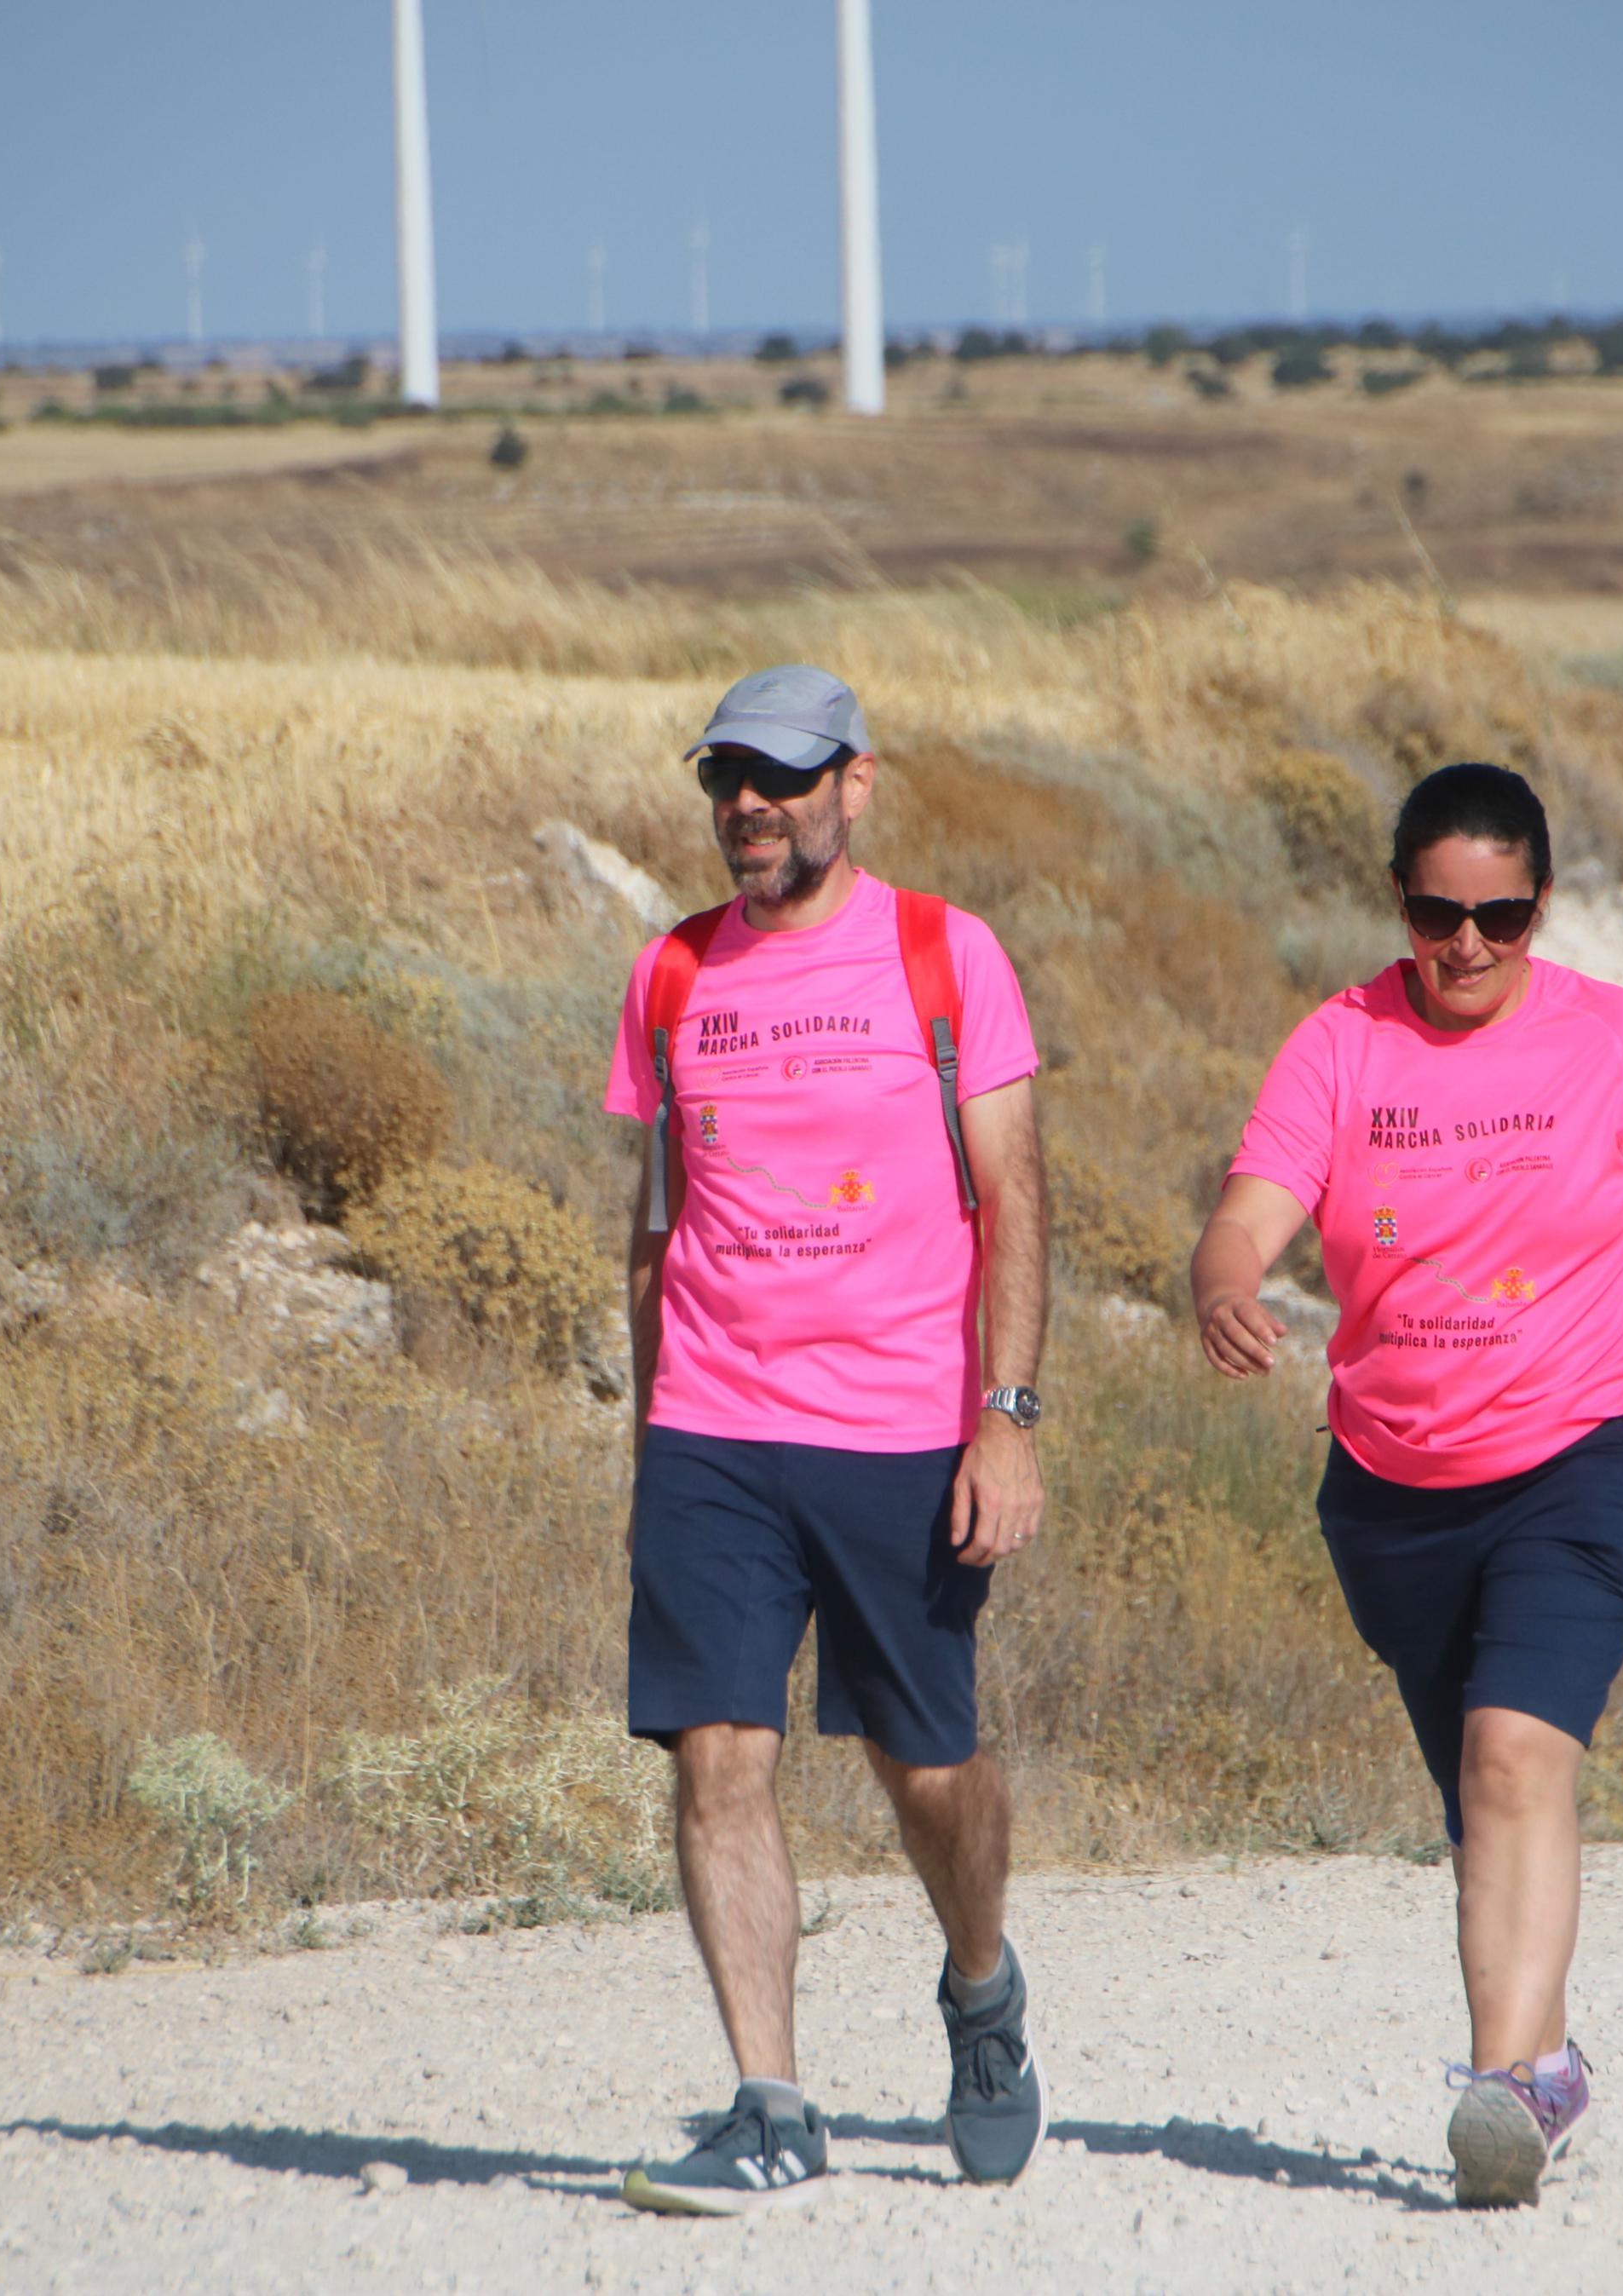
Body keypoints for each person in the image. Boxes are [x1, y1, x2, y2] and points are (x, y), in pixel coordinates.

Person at [1188, 761, 1623, 2210]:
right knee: (1480, 1800)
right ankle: (1546, 2067)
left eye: (1500, 916)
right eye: (1441, 912)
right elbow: (1256, 1203)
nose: (1468, 945)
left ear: (1540, 905)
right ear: (1401, 901)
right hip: (1391, 1489)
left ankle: (1499, 2096)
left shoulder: (1619, 1042)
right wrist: (1225, 1274)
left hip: (1584, 1462)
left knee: (1515, 1759)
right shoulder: (1340, 1043)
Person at [603, 663, 1052, 2216]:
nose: (749, 805)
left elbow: (1013, 1201)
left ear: (854, 785)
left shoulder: (942, 955)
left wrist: (1004, 1421)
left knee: (928, 1771)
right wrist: (658, 1426)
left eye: (782, 778)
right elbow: (655, 1222)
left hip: (902, 1434)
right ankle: (771, 2103)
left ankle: (980, 1991)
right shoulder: (671, 975)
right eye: (727, 775)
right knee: (718, 1756)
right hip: (715, 1431)